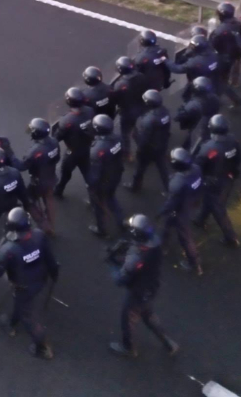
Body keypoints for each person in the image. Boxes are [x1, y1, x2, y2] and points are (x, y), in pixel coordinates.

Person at [0, 207, 59, 360]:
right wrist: (54, 275)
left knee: (28, 317)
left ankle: (42, 346)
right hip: (40, 281)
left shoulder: (8, 249)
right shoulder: (39, 236)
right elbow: (51, 260)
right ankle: (13, 322)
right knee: (21, 303)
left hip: (23, 287)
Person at [108, 214, 179, 358]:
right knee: (147, 314)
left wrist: (113, 265)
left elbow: (122, 278)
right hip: (151, 287)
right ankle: (168, 342)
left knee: (127, 316)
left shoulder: (137, 256)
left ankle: (128, 347)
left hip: (138, 291)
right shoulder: (155, 244)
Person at [192, 115, 241, 248]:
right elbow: (238, 158)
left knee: (218, 210)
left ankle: (231, 238)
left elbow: (198, 165)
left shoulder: (208, 147)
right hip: (228, 178)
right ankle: (200, 219)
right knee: (211, 201)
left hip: (213, 182)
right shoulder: (233, 140)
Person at [157, 148, 203, 274]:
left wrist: (161, 211)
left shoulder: (177, 182)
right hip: (191, 202)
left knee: (185, 236)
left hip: (180, 210)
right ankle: (163, 245)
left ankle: (194, 262)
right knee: (166, 225)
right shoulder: (196, 169)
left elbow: (171, 203)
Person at [87, 114, 125, 238]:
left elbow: (95, 173)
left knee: (98, 204)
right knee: (111, 198)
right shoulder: (117, 138)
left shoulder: (97, 149)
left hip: (103, 180)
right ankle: (121, 221)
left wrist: (91, 185)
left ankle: (101, 229)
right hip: (116, 173)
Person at [53, 88, 95, 198]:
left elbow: (57, 137)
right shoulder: (90, 111)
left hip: (73, 152)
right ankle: (94, 198)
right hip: (87, 148)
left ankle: (59, 190)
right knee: (88, 174)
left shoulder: (67, 120)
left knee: (65, 172)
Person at [21, 118, 60, 235]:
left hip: (38, 181)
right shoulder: (54, 141)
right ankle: (52, 225)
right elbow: (57, 158)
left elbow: (23, 166)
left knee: (28, 201)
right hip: (51, 176)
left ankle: (44, 225)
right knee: (49, 198)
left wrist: (10, 155)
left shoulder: (35, 151)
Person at [128, 90, 171, 193]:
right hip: (161, 145)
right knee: (163, 169)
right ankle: (169, 189)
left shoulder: (148, 120)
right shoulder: (165, 112)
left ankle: (135, 186)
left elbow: (144, 138)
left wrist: (139, 149)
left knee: (140, 168)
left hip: (148, 149)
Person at [111, 56, 146, 161]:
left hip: (126, 112)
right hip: (140, 108)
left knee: (125, 133)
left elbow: (115, 99)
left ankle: (127, 154)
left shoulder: (120, 85)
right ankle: (143, 147)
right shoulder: (141, 76)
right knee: (134, 128)